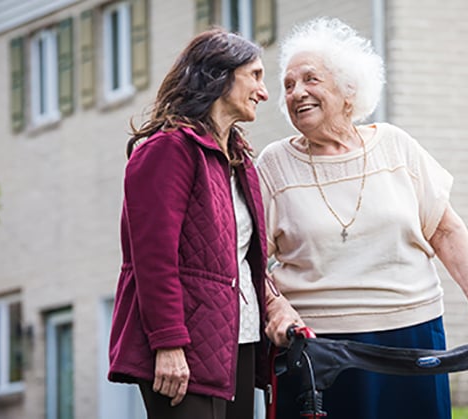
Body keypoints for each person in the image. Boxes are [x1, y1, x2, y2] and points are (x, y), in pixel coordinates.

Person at [257, 17, 468, 419]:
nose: (297, 93)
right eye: (288, 85)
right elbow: (248, 258)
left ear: (349, 90)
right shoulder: (275, 165)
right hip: (317, 345)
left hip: (412, 334)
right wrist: (276, 307)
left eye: (311, 79)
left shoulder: (396, 146)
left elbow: (445, 229)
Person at [108, 28, 270, 419]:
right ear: (220, 75)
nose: (263, 93)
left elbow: (243, 258)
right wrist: (168, 343)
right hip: (184, 348)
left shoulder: (238, 160)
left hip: (239, 341)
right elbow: (153, 259)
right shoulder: (168, 151)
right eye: (256, 76)